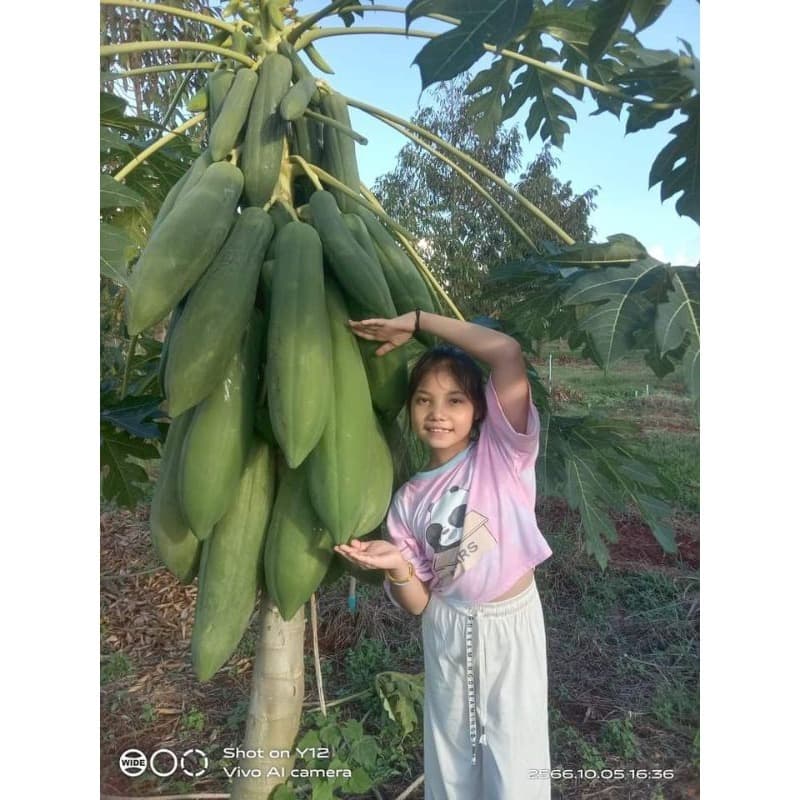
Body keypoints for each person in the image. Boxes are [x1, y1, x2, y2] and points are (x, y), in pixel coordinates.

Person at [334, 309, 553, 800]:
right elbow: (419, 604)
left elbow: (506, 353)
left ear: (480, 410)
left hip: (509, 625)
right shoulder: (407, 499)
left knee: (515, 764)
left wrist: (416, 321)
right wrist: (396, 567)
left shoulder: (504, 453)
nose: (438, 412)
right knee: (452, 761)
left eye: (455, 400)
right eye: (424, 400)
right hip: (447, 627)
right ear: (410, 410)